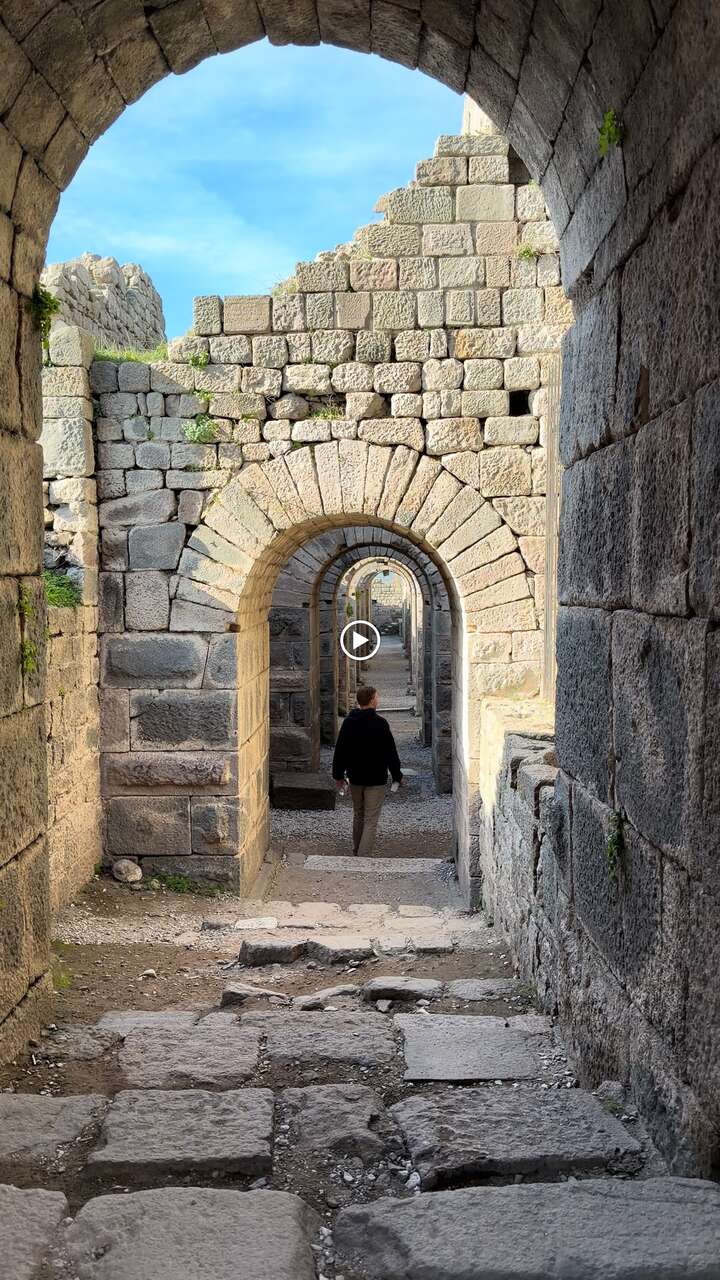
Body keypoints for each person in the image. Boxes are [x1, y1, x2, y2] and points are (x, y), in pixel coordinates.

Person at [332, 684, 402, 856]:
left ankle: (357, 849)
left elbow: (340, 750)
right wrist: (396, 775)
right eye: (376, 697)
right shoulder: (380, 724)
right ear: (372, 700)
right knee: (371, 818)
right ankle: (363, 856)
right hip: (376, 778)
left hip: (355, 776)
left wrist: (338, 775)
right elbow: (390, 751)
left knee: (358, 814)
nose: (378, 699)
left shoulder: (349, 722)